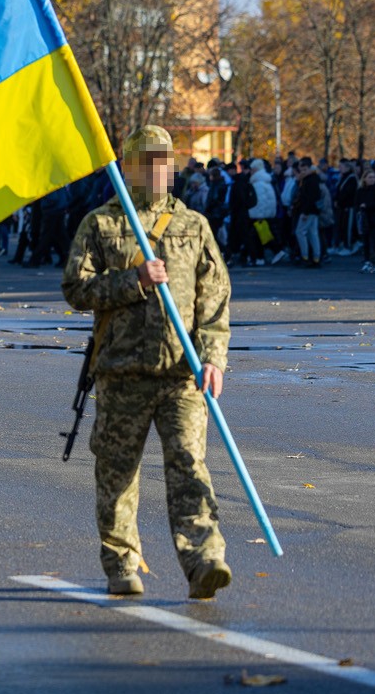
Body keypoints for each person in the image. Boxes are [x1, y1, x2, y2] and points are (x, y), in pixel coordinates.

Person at [62, 125, 232, 600]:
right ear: (130, 166)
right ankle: (121, 563)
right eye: (148, 161)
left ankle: (203, 561)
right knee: (117, 474)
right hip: (122, 375)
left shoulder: (192, 225)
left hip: (182, 376)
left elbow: (214, 300)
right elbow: (76, 289)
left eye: (165, 161)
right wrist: (131, 281)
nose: (158, 170)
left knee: (189, 466)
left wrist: (213, 358)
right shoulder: (101, 224)